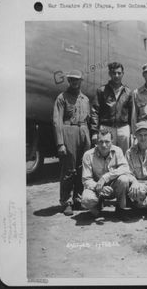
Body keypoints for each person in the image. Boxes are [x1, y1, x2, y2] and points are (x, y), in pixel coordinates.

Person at [53, 70, 91, 216]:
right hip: (69, 130)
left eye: (77, 80)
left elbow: (88, 119)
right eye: (72, 80)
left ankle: (78, 198)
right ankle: (66, 202)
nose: (75, 82)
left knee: (82, 168)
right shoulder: (62, 98)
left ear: (81, 81)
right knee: (69, 169)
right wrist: (60, 143)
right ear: (68, 81)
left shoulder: (85, 99)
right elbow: (57, 121)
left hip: (84, 131)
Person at [81, 128, 132, 217]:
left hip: (113, 187)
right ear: (96, 142)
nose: (104, 145)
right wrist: (98, 187)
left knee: (124, 179)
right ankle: (97, 205)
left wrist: (106, 177)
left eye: (107, 142)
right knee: (86, 199)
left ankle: (120, 208)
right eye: (101, 142)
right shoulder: (88, 155)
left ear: (112, 141)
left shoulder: (118, 151)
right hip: (97, 188)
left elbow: (125, 168)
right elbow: (86, 179)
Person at [90, 62, 133, 154]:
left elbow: (132, 114)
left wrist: (132, 132)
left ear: (123, 74)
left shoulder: (128, 92)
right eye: (114, 73)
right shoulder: (101, 91)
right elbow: (95, 111)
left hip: (123, 128)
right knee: (106, 155)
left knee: (124, 155)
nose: (116, 75)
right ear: (110, 74)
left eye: (119, 73)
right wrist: (94, 132)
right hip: (106, 128)